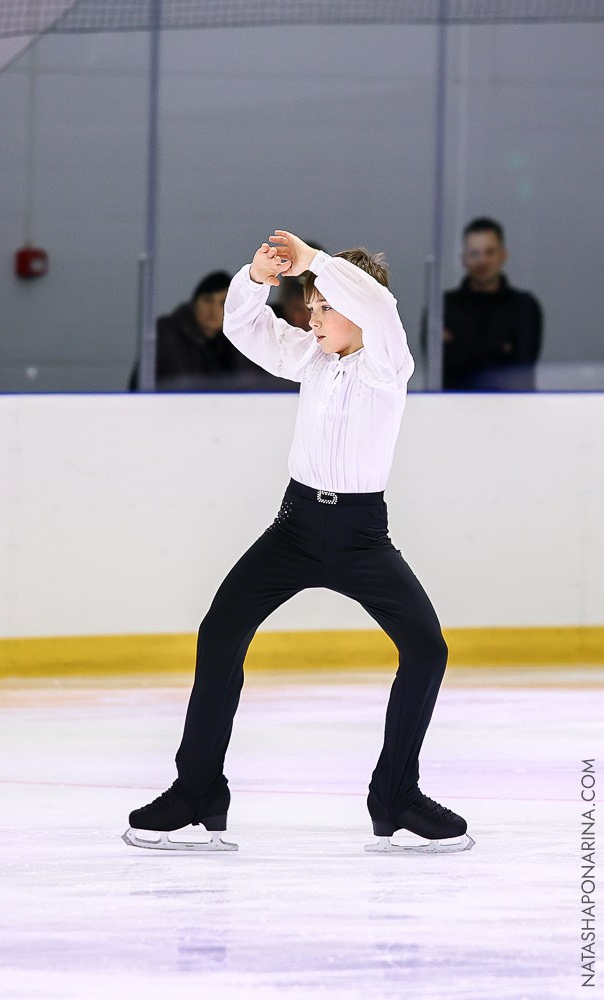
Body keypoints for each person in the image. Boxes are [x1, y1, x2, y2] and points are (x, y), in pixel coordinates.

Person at [124, 230, 473, 855]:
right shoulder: (310, 357)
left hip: (363, 537)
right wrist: (256, 278)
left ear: (353, 306)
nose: (311, 317)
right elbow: (244, 328)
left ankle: (395, 794)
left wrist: (314, 261)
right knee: (220, 632)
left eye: (322, 306)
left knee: (426, 648)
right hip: (296, 528)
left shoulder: (388, 363)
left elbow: (379, 308)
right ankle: (197, 791)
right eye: (308, 306)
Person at [441, 217, 543, 390]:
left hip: (515, 407)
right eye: (474, 253)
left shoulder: (524, 306)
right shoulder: (444, 307)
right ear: (463, 258)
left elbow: (520, 368)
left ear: (503, 255)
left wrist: (460, 345)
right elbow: (441, 365)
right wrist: (500, 348)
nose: (482, 261)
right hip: (455, 406)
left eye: (489, 252)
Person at [129, 270, 268, 390]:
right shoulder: (168, 333)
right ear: (195, 303)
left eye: (222, 303)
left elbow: (249, 383)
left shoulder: (233, 338)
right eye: (208, 300)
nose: (213, 310)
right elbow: (184, 386)